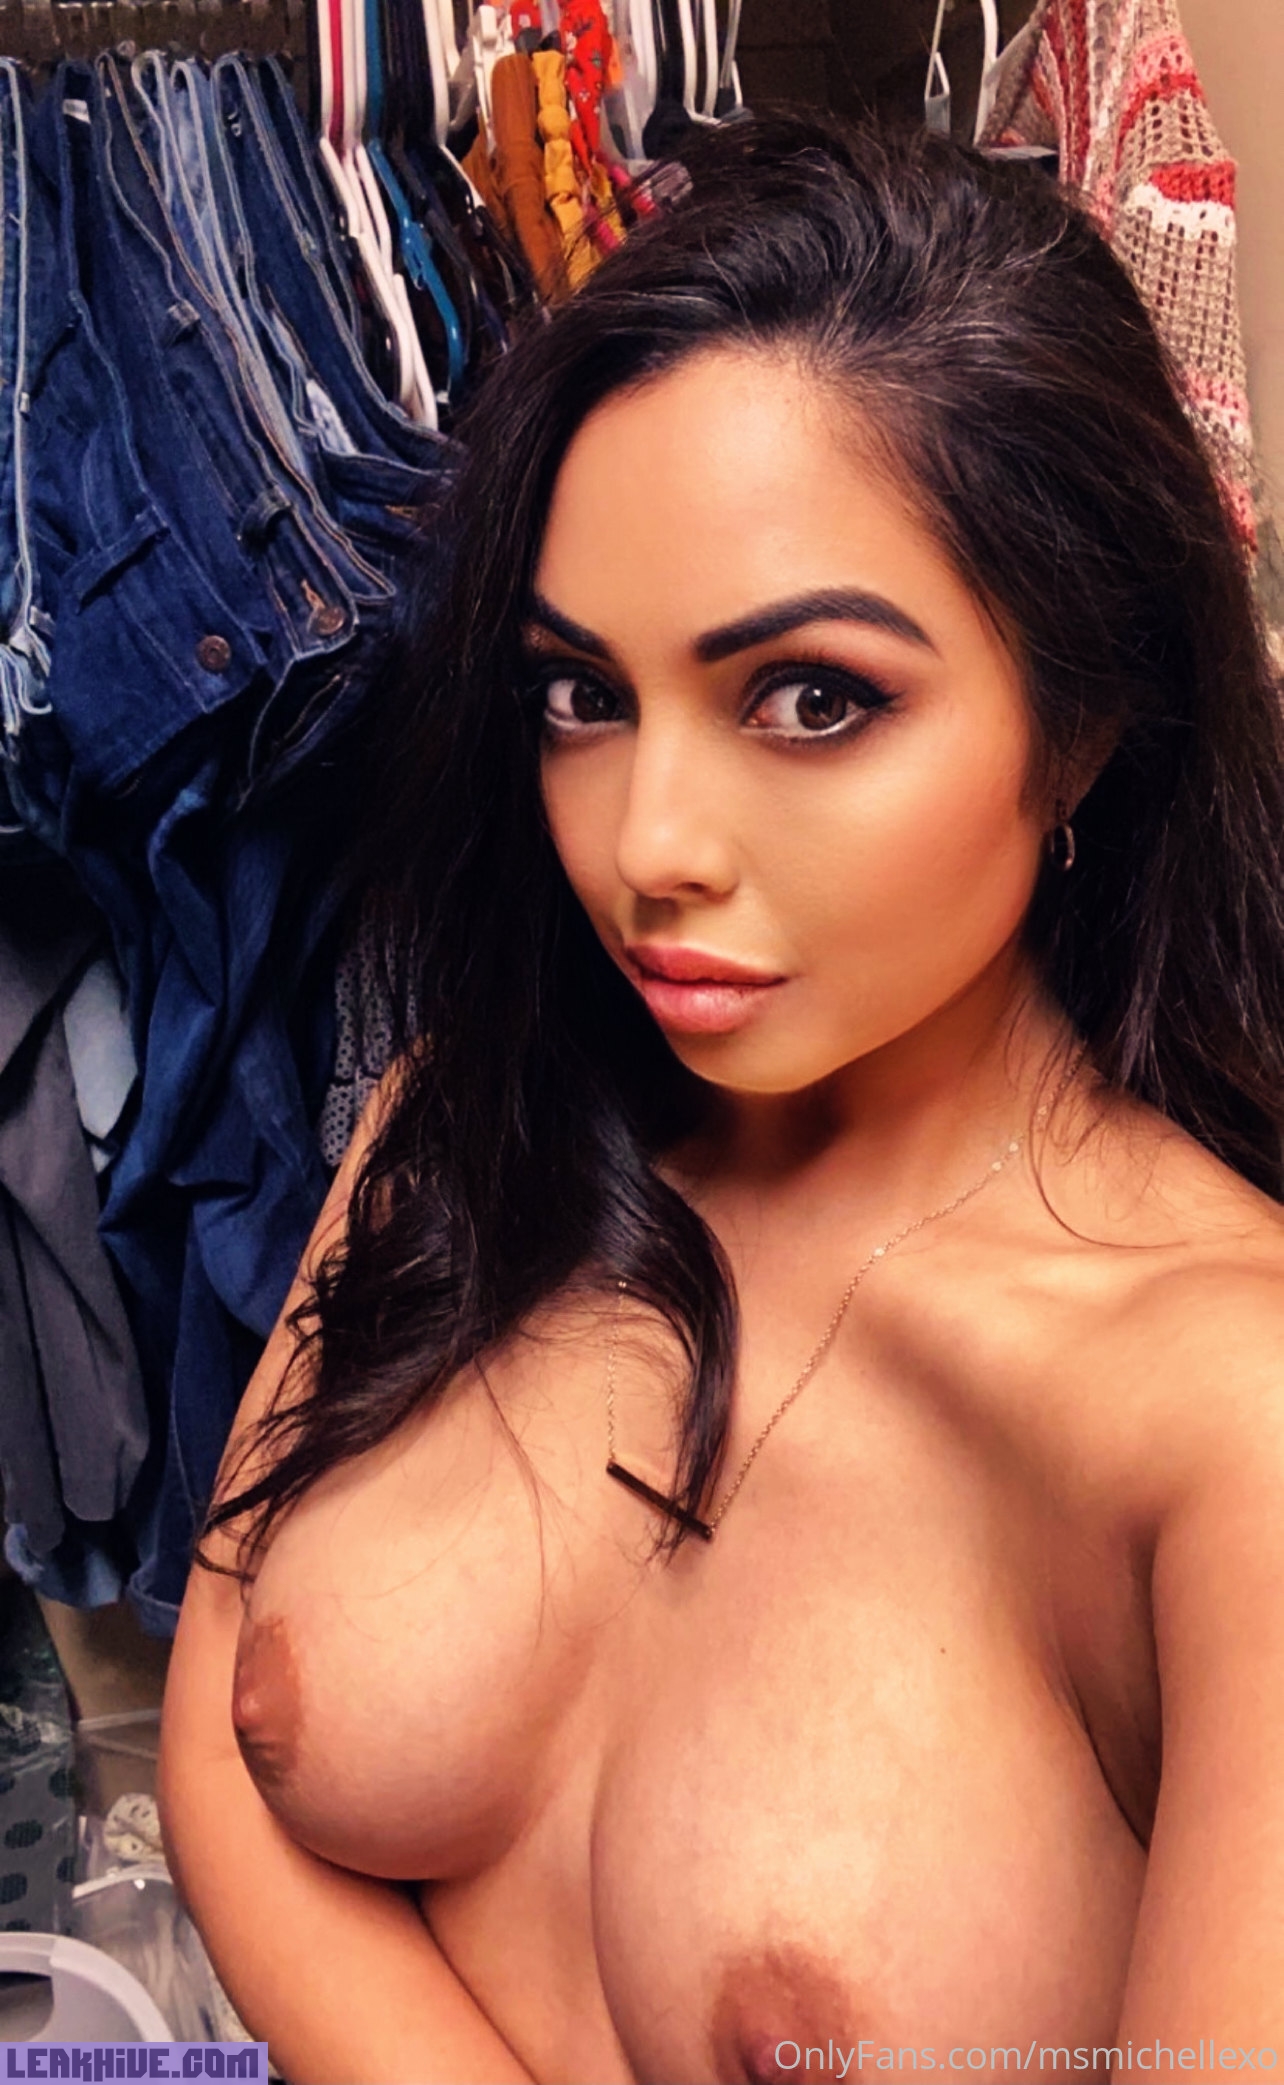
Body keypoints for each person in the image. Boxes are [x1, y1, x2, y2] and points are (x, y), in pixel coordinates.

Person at [158, 114, 1284, 2085]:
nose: (647, 845)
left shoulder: (1226, 1427)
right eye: (582, 694)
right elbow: (216, 1756)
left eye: (812, 697)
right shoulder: (466, 1125)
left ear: (1088, 719)